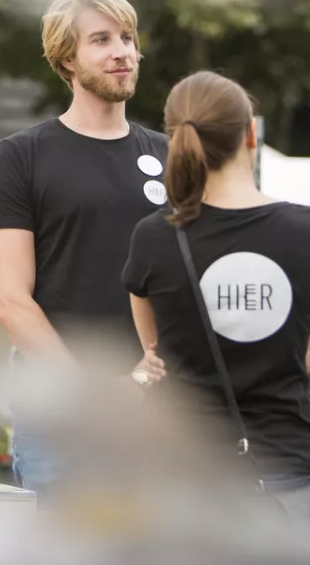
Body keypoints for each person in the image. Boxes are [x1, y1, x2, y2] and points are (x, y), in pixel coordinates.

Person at [0, 0, 169, 493]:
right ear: (67, 58)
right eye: (101, 40)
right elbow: (10, 302)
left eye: (127, 37)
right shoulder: (22, 156)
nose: (122, 51)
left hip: (162, 413)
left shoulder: (172, 156)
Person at [122, 70, 310, 518]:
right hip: (286, 469)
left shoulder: (153, 238)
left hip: (183, 475)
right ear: (251, 133)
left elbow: (154, 355)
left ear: (175, 139)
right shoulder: (303, 232)